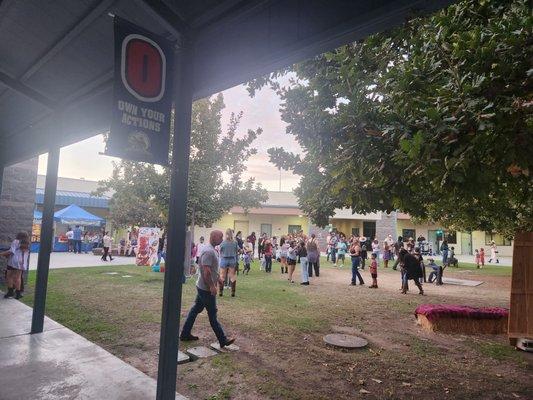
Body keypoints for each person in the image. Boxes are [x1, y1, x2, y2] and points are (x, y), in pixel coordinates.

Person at [180, 230, 235, 348]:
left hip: (202, 286)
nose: (222, 239)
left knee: (196, 309)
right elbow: (206, 272)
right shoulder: (209, 251)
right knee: (213, 314)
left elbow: (211, 270)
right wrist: (211, 286)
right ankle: (223, 339)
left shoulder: (211, 249)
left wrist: (218, 279)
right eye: (220, 237)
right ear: (214, 237)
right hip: (205, 288)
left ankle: (185, 334)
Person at [1, 234, 30, 299]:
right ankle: (18, 294)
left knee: (9, 276)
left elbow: (11, 251)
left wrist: (1, 254)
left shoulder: (16, 241)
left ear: (18, 235)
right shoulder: (27, 243)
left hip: (13, 262)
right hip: (21, 263)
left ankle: (10, 293)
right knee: (18, 278)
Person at [219, 229, 239, 297]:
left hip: (224, 259)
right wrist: (237, 260)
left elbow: (220, 251)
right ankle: (233, 292)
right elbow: (237, 252)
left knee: (222, 276)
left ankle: (221, 291)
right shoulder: (235, 242)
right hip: (232, 260)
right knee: (232, 276)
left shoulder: (223, 242)